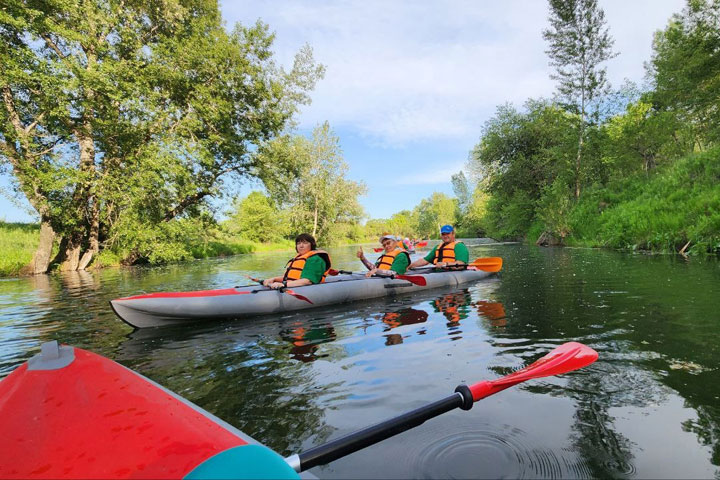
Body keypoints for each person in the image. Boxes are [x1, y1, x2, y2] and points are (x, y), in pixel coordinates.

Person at [263, 233, 331, 289]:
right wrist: (273, 279)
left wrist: (284, 285)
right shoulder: (298, 258)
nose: (301, 246)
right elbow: (289, 278)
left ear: (312, 245)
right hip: (293, 285)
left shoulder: (315, 260)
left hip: (308, 289)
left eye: (305, 243)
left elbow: (307, 281)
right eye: (298, 243)